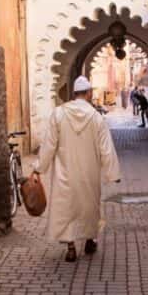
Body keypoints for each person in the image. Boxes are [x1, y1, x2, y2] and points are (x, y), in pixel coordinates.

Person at [34, 76, 122, 262]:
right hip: (89, 173)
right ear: (89, 94)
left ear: (74, 94)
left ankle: (71, 247)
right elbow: (106, 147)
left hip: (64, 173)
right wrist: (112, 173)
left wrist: (39, 168)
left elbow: (49, 144)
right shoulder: (96, 117)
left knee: (67, 208)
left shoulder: (58, 114)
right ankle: (90, 240)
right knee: (89, 207)